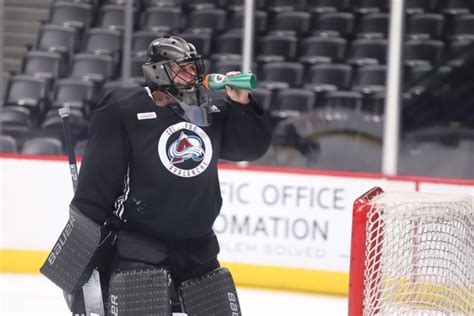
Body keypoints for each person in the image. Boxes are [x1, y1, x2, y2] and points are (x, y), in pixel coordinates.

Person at [69, 35, 271, 314]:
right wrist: (86, 252)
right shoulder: (123, 110)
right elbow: (97, 186)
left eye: (194, 67)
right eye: (183, 68)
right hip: (141, 250)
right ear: (158, 72)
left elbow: (251, 148)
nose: (194, 75)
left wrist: (241, 105)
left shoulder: (208, 112)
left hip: (200, 251)